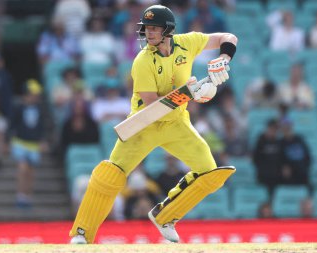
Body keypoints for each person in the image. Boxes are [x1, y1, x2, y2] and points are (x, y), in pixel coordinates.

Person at [69, 4, 238, 244]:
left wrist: (223, 58)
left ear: (167, 30)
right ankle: (82, 233)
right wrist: (192, 92)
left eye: (154, 28)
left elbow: (227, 37)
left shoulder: (187, 43)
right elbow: (152, 105)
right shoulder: (142, 61)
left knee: (209, 173)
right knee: (111, 174)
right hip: (144, 124)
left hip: (176, 123)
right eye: (146, 28)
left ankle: (165, 216)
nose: (148, 33)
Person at [8, 80, 47, 209]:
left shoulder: (40, 109)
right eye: (32, 94)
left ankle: (27, 197)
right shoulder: (18, 107)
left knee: (31, 172)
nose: (35, 97)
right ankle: (20, 195)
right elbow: (12, 124)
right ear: (26, 94)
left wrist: (42, 140)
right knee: (22, 168)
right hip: (20, 142)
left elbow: (41, 127)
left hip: (33, 144)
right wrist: (7, 140)